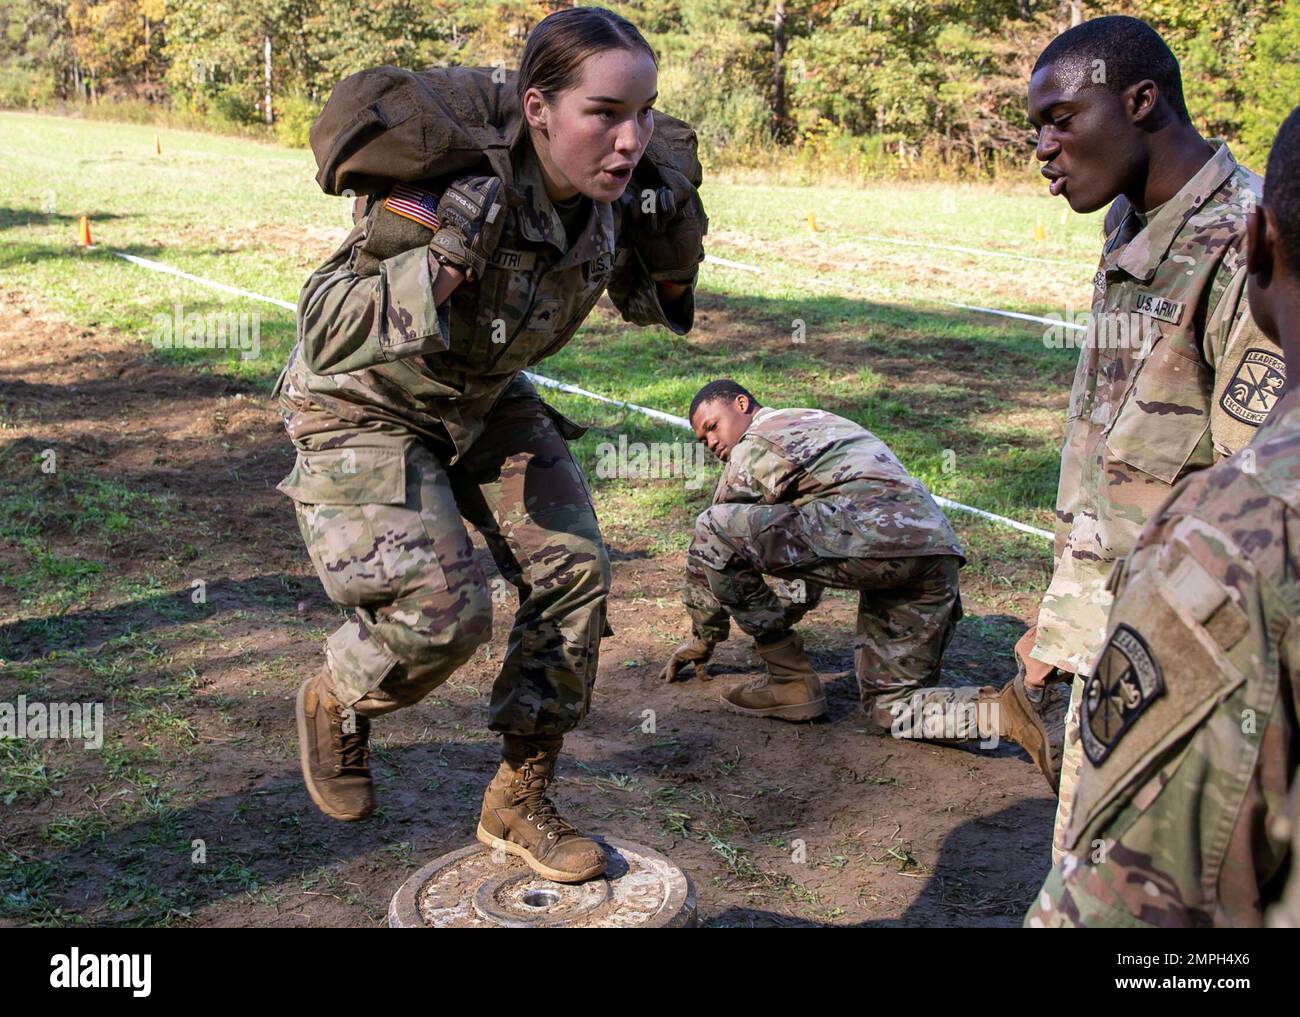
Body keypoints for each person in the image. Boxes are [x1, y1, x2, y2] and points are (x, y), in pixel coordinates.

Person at [272, 6, 706, 884]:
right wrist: (441, 263)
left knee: (576, 569)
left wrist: (674, 250)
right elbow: (323, 327)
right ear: (538, 108)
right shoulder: (455, 187)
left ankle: (519, 795)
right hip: (366, 404)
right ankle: (338, 691)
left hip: (482, 398)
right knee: (444, 613)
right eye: (606, 113)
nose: (631, 139)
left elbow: (659, 306)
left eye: (645, 112)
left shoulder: (613, 199)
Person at [1028, 105, 1300, 927]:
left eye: (1059, 118)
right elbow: (1107, 437)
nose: (1042, 146)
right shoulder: (1129, 220)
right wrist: (1061, 618)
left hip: (1182, 623)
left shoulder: (1237, 540)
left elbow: (1247, 472)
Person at [662, 379, 1002, 736]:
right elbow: (805, 559)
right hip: (935, 552)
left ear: (742, 404)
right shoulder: (822, 423)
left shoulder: (758, 441)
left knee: (714, 524)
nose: (711, 442)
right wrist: (788, 609)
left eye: (712, 426)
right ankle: (1009, 714)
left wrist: (705, 636)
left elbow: (713, 546)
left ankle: (789, 681)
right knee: (893, 707)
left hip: (870, 538)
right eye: (702, 441)